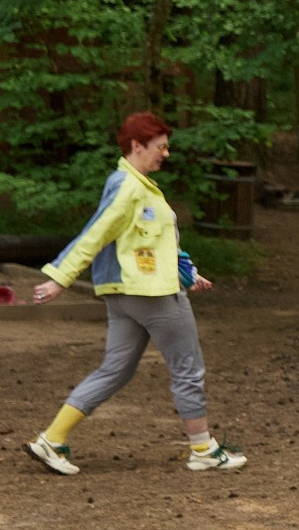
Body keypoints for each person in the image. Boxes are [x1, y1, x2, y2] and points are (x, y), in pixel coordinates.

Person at [26, 111, 246, 477]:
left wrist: (189, 273)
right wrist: (59, 278)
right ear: (136, 145)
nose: (166, 153)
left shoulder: (138, 186)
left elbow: (156, 245)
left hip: (128, 294)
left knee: (115, 370)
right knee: (188, 368)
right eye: (160, 147)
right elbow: (95, 234)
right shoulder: (128, 187)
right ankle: (204, 449)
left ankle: (51, 439)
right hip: (152, 295)